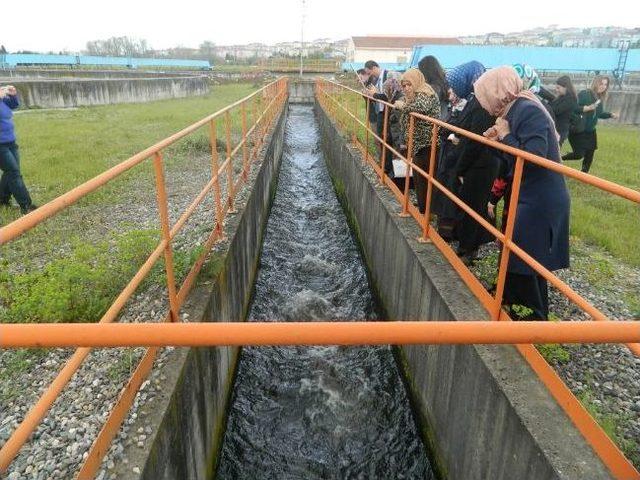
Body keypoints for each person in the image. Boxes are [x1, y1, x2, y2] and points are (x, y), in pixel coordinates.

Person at [475, 66, 570, 321]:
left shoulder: (526, 110)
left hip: (541, 198)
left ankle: (533, 318)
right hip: (531, 194)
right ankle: (521, 311)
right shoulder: (514, 110)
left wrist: (505, 135)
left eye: (485, 96)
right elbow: (512, 161)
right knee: (524, 255)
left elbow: (534, 157)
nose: (484, 103)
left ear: (498, 92)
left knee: (525, 256)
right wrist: (496, 143)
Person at [432, 61, 485, 242]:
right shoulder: (472, 99)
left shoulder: (478, 103)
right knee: (448, 193)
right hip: (455, 154)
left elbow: (470, 134)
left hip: (462, 158)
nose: (452, 91)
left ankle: (457, 238)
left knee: (454, 196)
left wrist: (452, 134)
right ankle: (451, 232)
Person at [394, 68, 441, 214]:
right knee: (420, 177)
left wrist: (403, 106)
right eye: (404, 85)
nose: (407, 88)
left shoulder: (425, 92)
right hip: (419, 144)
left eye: (409, 84)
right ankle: (425, 210)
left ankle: (428, 212)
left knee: (426, 178)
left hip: (428, 144)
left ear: (416, 82)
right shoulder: (414, 95)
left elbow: (421, 106)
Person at [562, 75, 617, 173]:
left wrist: (610, 115)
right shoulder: (585, 94)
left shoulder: (600, 98)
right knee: (579, 154)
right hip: (578, 130)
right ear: (596, 83)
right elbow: (574, 108)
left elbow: (598, 114)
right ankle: (560, 159)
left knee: (589, 155)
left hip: (590, 131)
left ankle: (584, 175)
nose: (603, 86)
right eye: (601, 83)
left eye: (605, 84)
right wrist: (587, 108)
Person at [0, 85, 37, 215]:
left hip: (10, 142)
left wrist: (13, 94)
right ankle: (26, 206)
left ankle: (2, 199)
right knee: (14, 172)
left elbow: (14, 105)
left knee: (11, 172)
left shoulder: (3, 100)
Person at [550, 76, 579, 146]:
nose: (556, 90)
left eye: (558, 88)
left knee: (554, 152)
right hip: (556, 129)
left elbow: (556, 110)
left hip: (560, 130)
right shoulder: (562, 97)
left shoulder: (571, 99)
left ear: (565, 87)